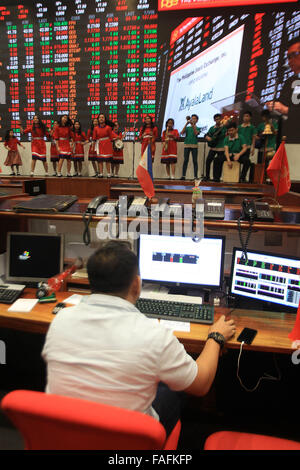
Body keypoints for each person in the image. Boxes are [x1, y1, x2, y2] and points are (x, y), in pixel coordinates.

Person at [42, 240, 236, 437]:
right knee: (173, 388)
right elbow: (201, 384)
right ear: (136, 284)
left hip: (67, 435)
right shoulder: (154, 335)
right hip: (127, 441)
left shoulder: (60, 320)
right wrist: (215, 337)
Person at [266, 38, 300, 143]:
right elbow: (281, 104)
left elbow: (285, 109)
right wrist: (273, 107)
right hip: (287, 139)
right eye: (288, 57)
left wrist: (286, 110)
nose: (289, 61)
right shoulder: (289, 82)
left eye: (294, 55)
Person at [93, 113, 118, 178]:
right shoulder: (95, 128)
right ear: (98, 119)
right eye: (100, 117)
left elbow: (111, 137)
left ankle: (108, 173)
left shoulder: (108, 128)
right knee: (100, 160)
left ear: (105, 119)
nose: (101, 119)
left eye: (102, 117)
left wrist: (116, 140)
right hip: (99, 144)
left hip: (107, 144)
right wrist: (93, 147)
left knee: (107, 160)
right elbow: (94, 138)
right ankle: (100, 173)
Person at [204, 114, 226, 181]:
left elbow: (223, 135)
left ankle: (217, 178)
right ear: (214, 120)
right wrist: (207, 137)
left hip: (221, 148)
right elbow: (207, 135)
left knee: (219, 163)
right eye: (216, 119)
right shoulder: (212, 128)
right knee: (208, 161)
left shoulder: (224, 127)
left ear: (221, 119)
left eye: (218, 119)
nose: (217, 121)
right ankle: (207, 176)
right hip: (213, 148)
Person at [238, 111, 257, 182]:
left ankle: (242, 176)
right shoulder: (239, 127)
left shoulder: (252, 127)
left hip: (247, 148)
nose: (245, 118)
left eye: (247, 116)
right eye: (244, 116)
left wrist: (253, 148)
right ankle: (238, 176)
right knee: (242, 161)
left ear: (250, 117)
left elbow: (253, 138)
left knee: (246, 161)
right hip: (239, 148)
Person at [180, 114, 200, 180]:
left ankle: (195, 176)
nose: (193, 120)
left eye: (195, 119)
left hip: (194, 145)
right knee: (185, 160)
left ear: (197, 120)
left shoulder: (198, 128)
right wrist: (187, 123)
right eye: (192, 118)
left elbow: (196, 133)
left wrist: (193, 125)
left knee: (195, 161)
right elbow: (182, 133)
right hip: (187, 145)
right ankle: (183, 176)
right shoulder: (187, 128)